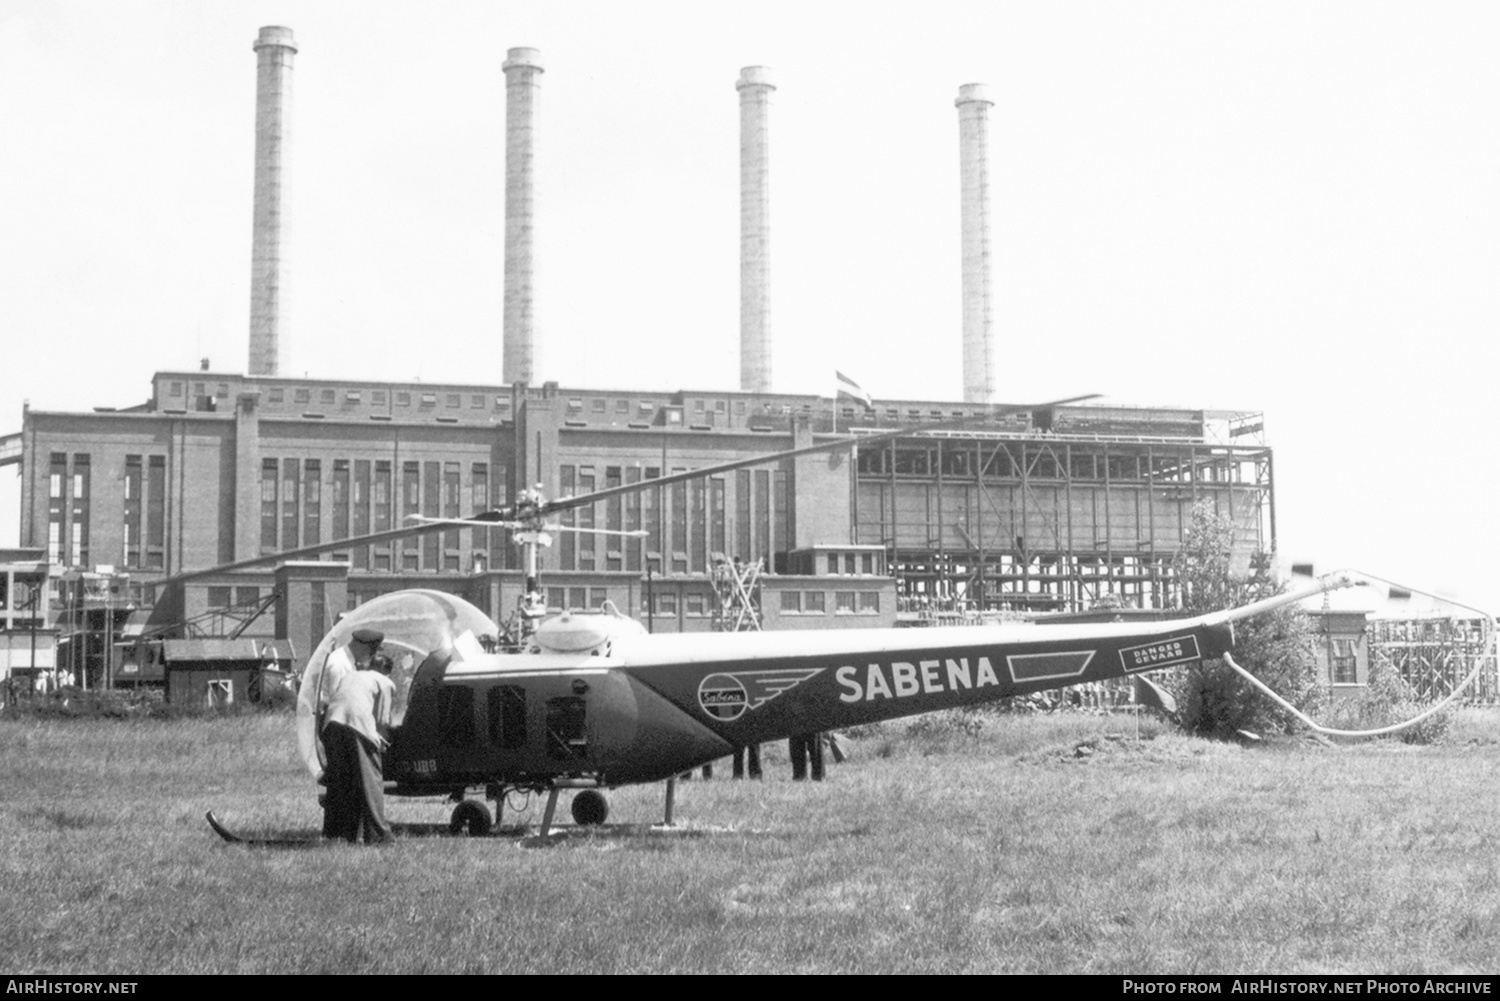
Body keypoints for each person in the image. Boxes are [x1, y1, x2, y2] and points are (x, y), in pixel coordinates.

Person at [320, 628, 396, 844]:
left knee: (341, 782)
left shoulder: (353, 671)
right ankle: (380, 835)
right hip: (352, 723)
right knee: (371, 781)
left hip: (332, 724)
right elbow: (382, 721)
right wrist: (378, 737)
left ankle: (339, 834)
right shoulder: (384, 681)